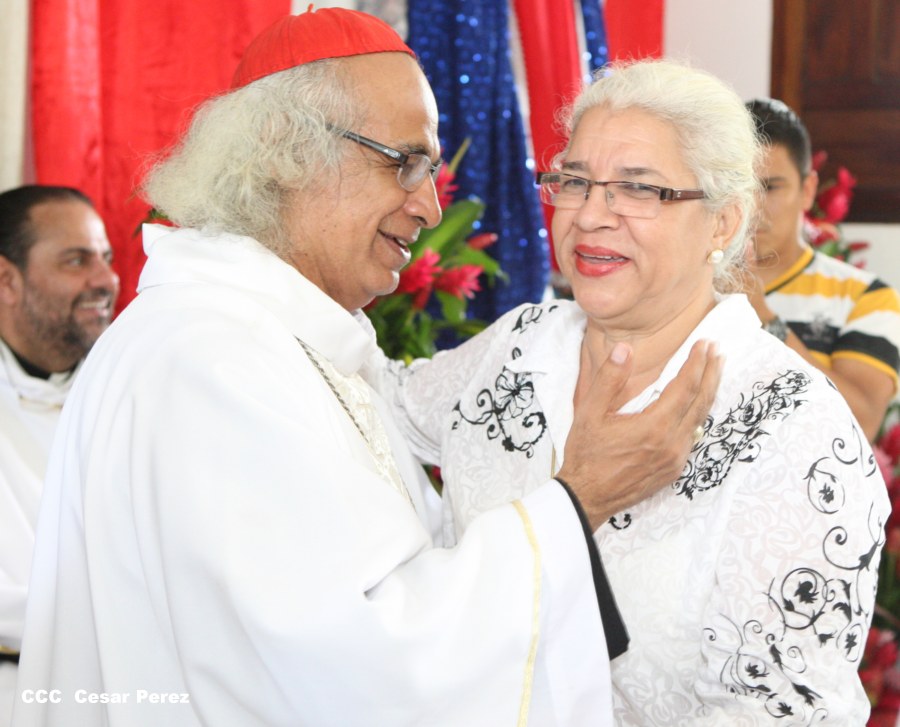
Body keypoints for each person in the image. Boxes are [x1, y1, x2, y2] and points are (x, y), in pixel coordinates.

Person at [12, 10, 721, 727]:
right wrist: (579, 498)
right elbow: (355, 669)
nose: (430, 207)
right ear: (285, 151)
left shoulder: (281, 340)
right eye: (404, 162)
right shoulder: (208, 363)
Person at [370, 60, 891, 724]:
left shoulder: (792, 425)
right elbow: (374, 406)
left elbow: (781, 712)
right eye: (575, 181)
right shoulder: (523, 343)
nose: (590, 215)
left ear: (724, 222)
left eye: (639, 189)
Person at [0, 185, 118, 725]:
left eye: (106, 258)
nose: (106, 279)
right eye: (76, 260)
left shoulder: (134, 394)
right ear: (6, 280)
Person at [744, 98, 900, 441]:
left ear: (808, 190)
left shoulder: (866, 296)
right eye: (738, 185)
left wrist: (761, 316)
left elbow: (862, 423)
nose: (751, 205)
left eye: (769, 187)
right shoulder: (685, 284)